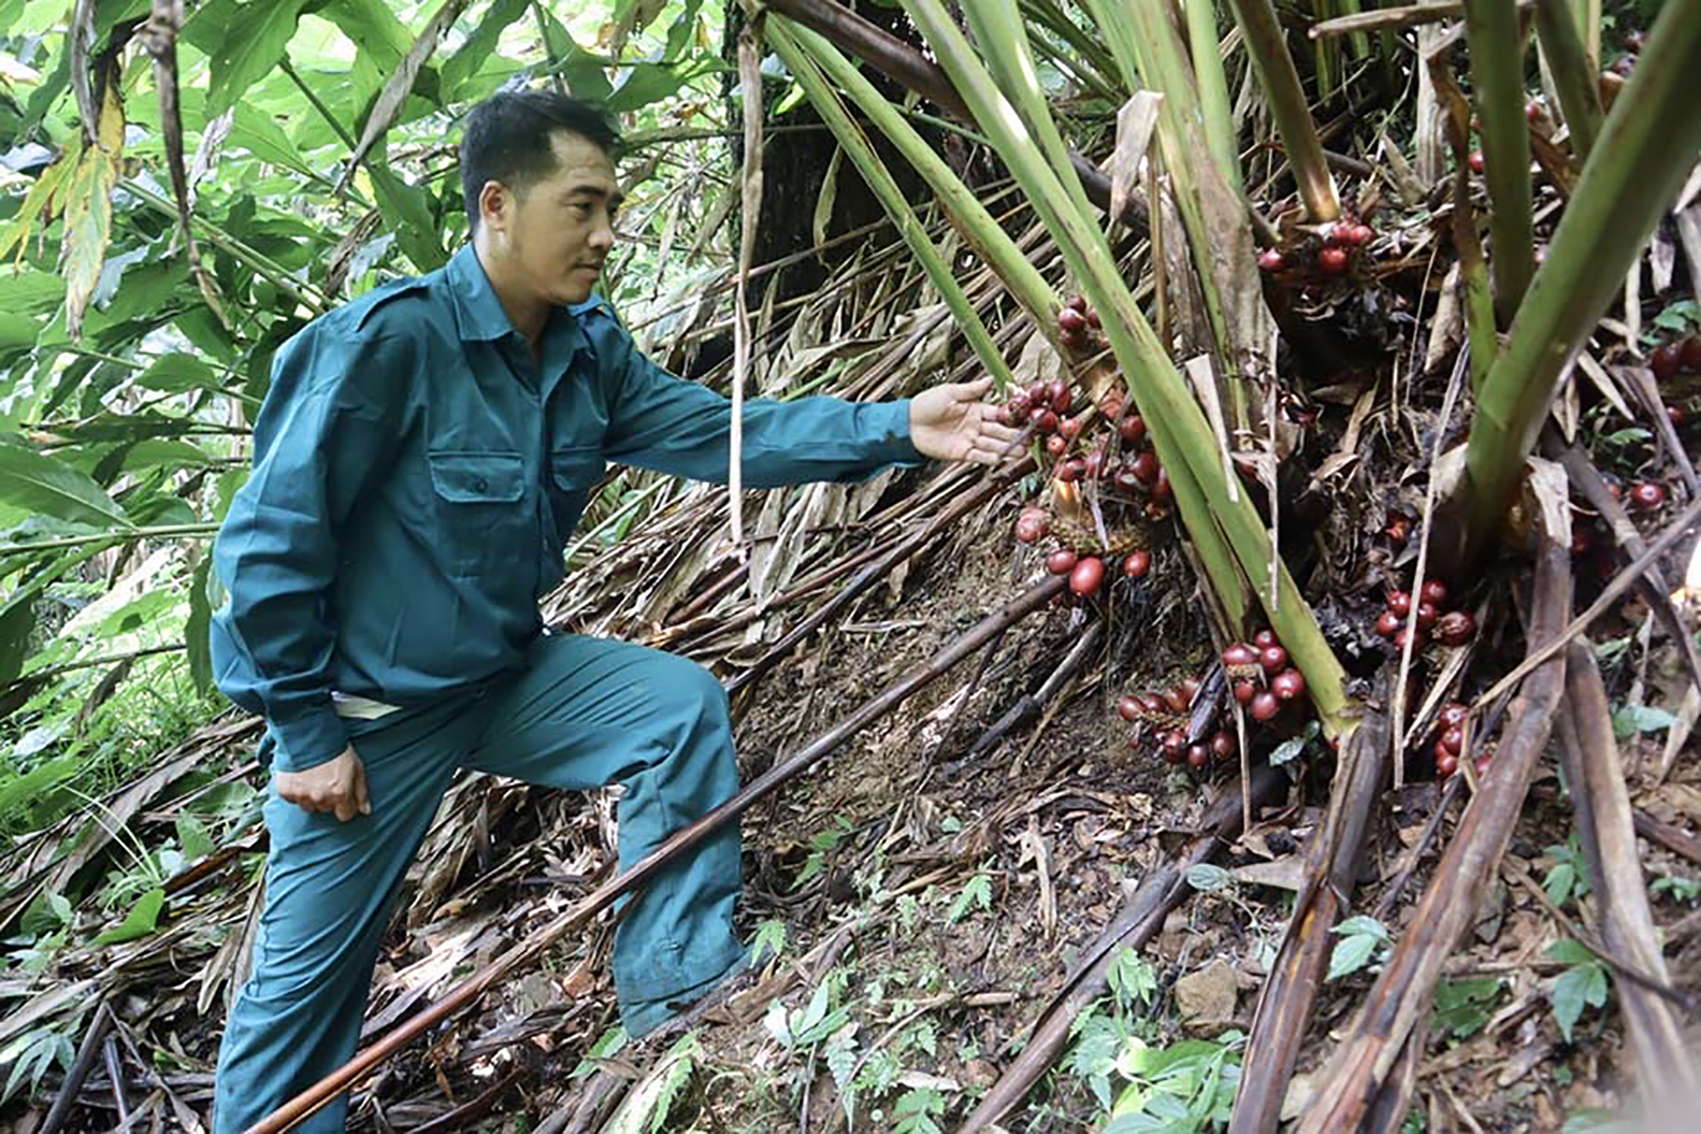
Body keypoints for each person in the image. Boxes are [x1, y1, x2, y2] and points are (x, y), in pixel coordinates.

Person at [207, 89, 1018, 1131]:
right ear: (497, 205)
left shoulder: (587, 350)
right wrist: (306, 733)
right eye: (582, 205)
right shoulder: (385, 346)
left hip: (501, 675)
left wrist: (899, 423)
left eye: (615, 206)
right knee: (297, 1016)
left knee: (672, 711)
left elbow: (725, 434)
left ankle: (680, 1009)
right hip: (367, 719)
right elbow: (269, 547)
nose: (605, 234)